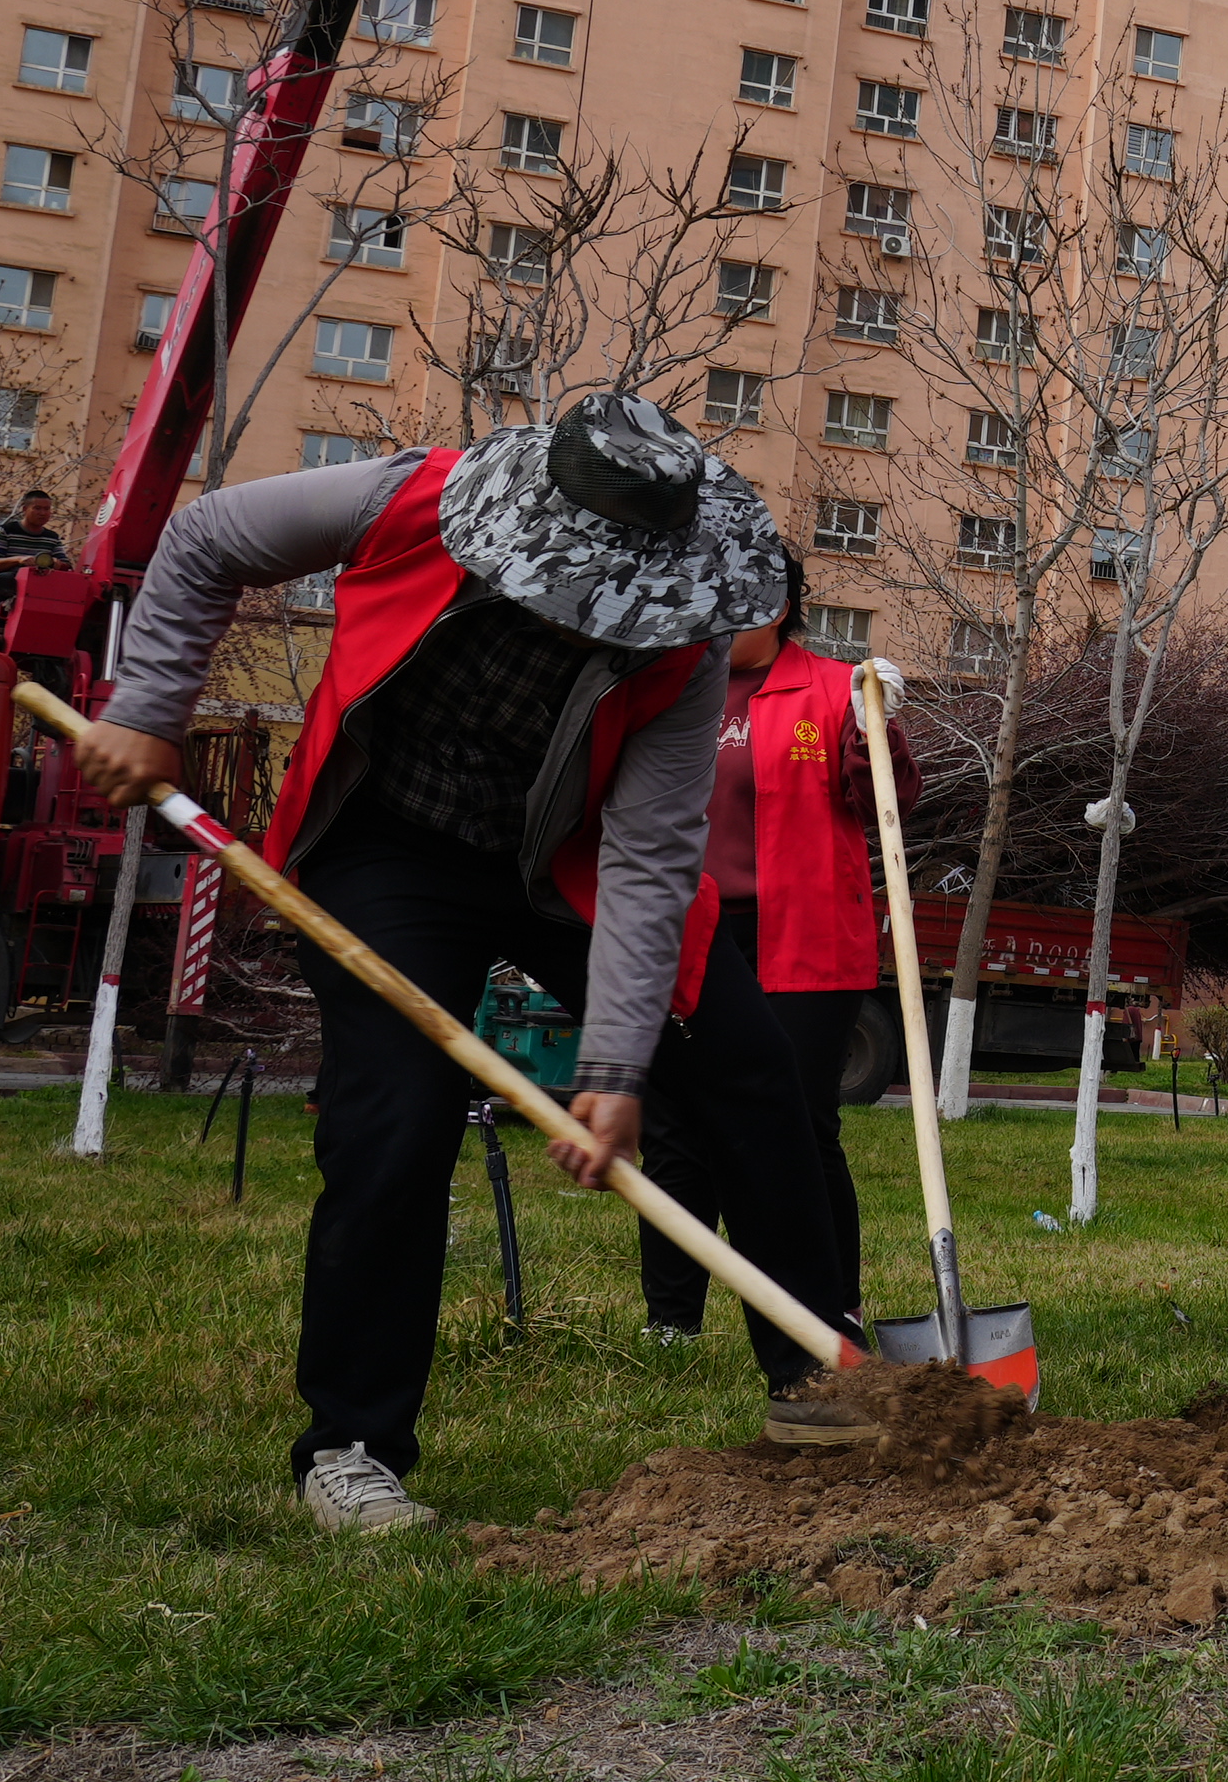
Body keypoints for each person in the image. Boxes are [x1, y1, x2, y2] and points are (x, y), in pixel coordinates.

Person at [73, 390, 821, 1534]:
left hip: (563, 861)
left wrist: (615, 1071)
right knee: (399, 1111)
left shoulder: (692, 631)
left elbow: (650, 860)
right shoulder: (405, 499)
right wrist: (151, 704)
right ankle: (354, 1445)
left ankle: (824, 1385)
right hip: (389, 849)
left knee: (750, 1072)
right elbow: (209, 537)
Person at [639, 558, 910, 1352]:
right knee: (677, 1130)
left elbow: (884, 804)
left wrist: (876, 730)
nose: (719, 622)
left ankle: (832, 1306)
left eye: (739, 606)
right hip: (688, 935)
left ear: (781, 607)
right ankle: (671, 1319)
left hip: (802, 938)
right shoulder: (670, 689)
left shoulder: (835, 689)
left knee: (800, 1128)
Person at [0, 491, 67, 640]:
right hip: (12, 581)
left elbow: (66, 565)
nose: (43, 513)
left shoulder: (52, 538)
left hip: (41, 584)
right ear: (25, 509)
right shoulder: (6, 531)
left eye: (47, 509)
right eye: (37, 508)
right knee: (5, 579)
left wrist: (56, 563)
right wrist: (18, 560)